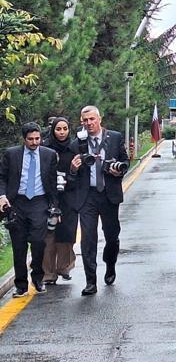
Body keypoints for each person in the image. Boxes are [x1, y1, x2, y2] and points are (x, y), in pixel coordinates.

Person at [70, 106, 129, 296]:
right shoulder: (77, 143)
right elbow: (71, 177)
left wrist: (118, 170)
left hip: (109, 194)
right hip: (87, 196)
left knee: (111, 236)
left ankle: (110, 264)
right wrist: (73, 168)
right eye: (85, 120)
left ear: (99, 119)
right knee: (88, 239)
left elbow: (125, 162)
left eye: (92, 119)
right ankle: (91, 281)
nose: (89, 123)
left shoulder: (115, 137)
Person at [0, 122, 59, 297]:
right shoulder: (12, 154)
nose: (34, 142)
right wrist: (2, 196)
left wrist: (55, 207)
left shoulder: (49, 155)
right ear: (24, 139)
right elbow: (1, 177)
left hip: (39, 202)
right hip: (17, 203)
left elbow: (53, 183)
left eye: (37, 138)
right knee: (18, 246)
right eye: (30, 139)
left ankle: (38, 278)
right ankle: (21, 285)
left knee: (39, 242)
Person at [42, 117, 77, 285]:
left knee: (66, 233)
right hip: (49, 194)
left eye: (65, 128)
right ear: (53, 130)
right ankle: (48, 273)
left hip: (68, 195)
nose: (62, 132)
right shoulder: (45, 148)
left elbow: (80, 173)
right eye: (58, 129)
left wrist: (72, 172)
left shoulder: (74, 147)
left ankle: (64, 267)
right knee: (49, 234)